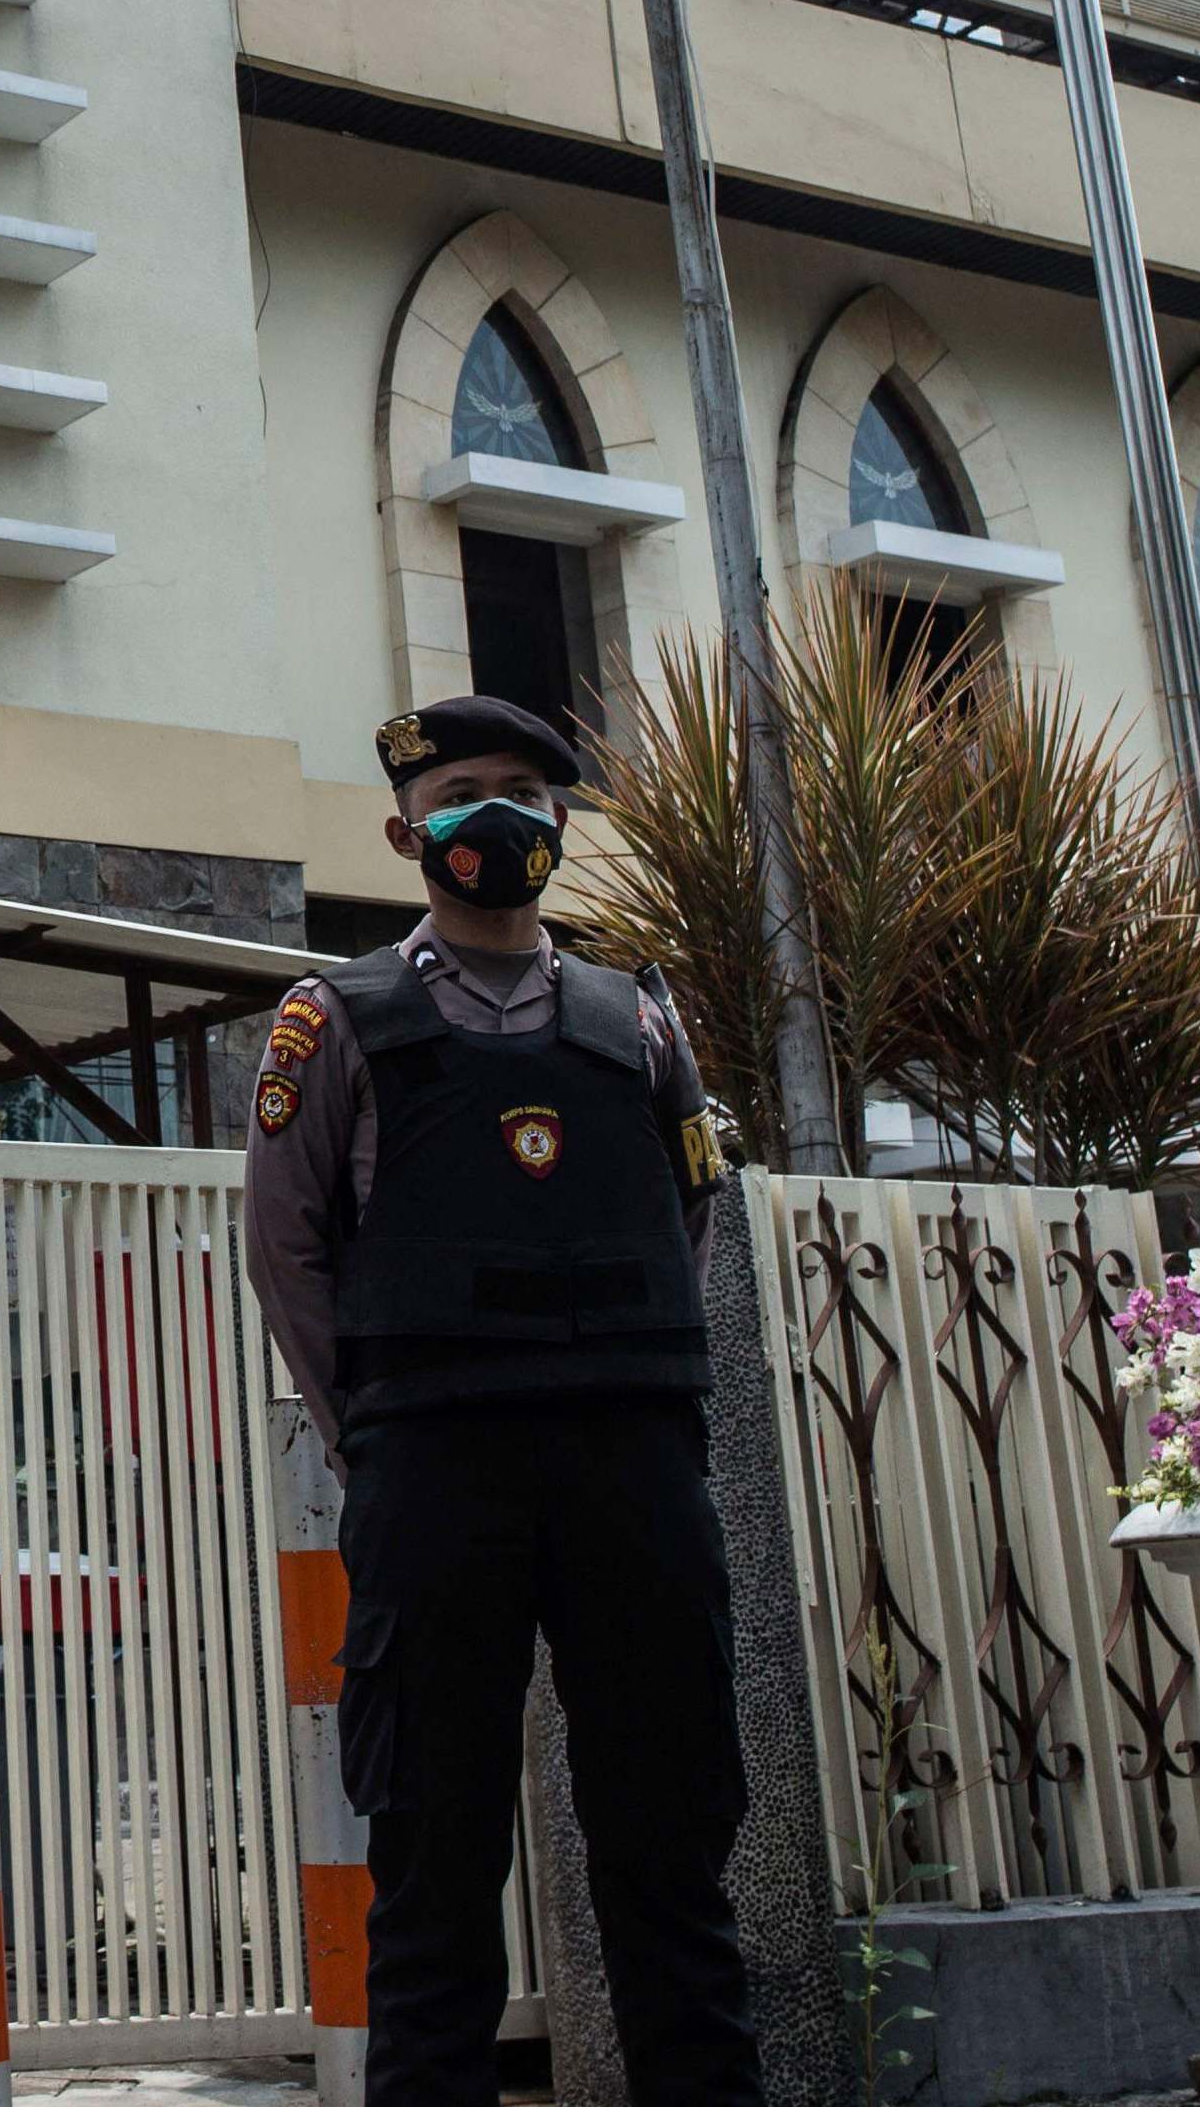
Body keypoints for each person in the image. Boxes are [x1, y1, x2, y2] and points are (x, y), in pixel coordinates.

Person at [243, 692, 755, 2107]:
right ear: (407, 828)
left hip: (631, 1454)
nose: (497, 816)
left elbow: (687, 1208)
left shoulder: (634, 1013)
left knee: (669, 1840)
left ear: (561, 820)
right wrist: (373, 1427)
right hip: (434, 1462)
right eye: (462, 790)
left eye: (525, 789)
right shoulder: (332, 1016)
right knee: (435, 1852)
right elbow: (286, 1246)